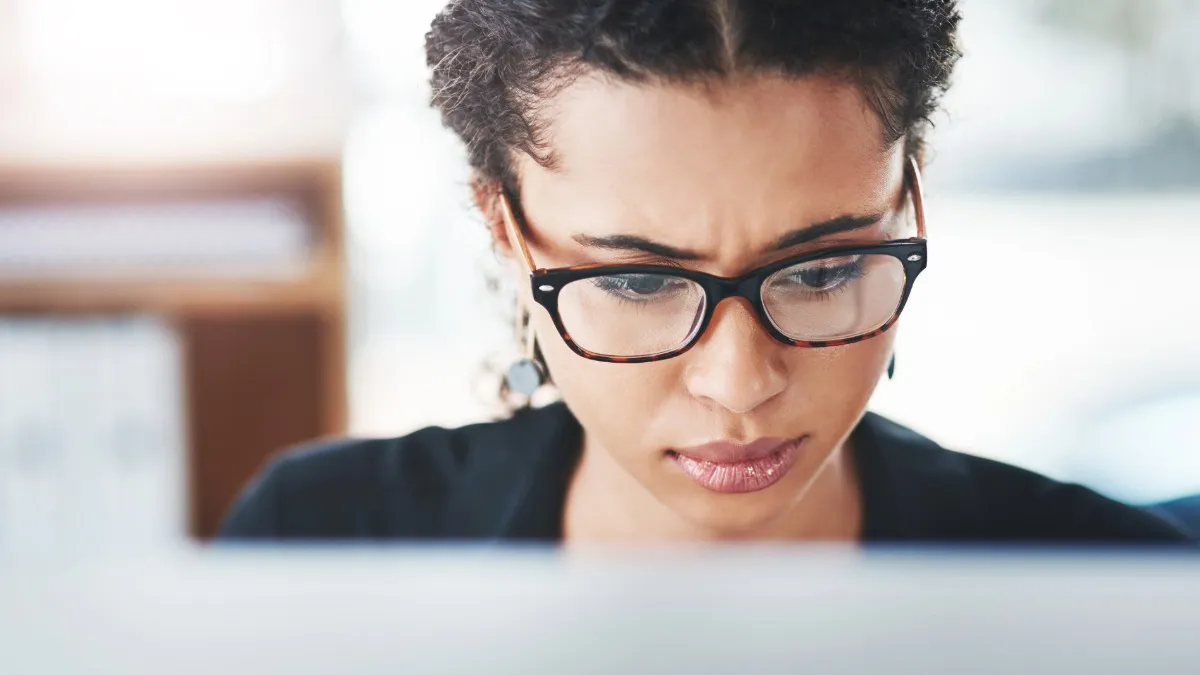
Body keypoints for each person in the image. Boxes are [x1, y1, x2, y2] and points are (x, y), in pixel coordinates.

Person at [220, 0, 1190, 544]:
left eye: (821, 270)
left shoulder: (1124, 591)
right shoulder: (315, 547)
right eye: (641, 283)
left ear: (910, 194)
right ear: (503, 229)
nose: (741, 386)